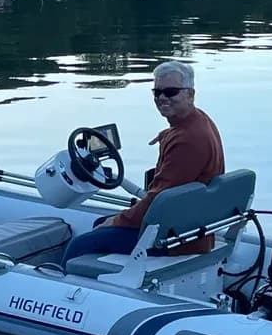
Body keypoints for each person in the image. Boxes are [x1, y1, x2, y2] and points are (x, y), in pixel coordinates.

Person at [63, 60, 225, 264]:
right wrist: (167, 135)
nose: (162, 98)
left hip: (175, 239)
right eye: (157, 92)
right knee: (100, 222)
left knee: (80, 245)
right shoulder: (199, 121)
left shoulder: (187, 141)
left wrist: (119, 219)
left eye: (171, 92)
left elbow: (157, 200)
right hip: (187, 227)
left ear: (190, 94)